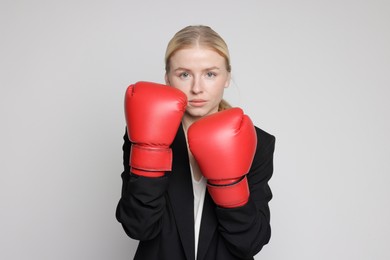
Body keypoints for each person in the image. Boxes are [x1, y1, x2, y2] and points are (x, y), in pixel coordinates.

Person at [116, 25, 276, 260]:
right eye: (184, 74)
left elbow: (250, 243)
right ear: (167, 78)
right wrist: (149, 152)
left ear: (227, 77)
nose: (197, 88)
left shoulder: (257, 142)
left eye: (210, 74)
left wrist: (231, 187)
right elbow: (138, 227)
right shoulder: (143, 133)